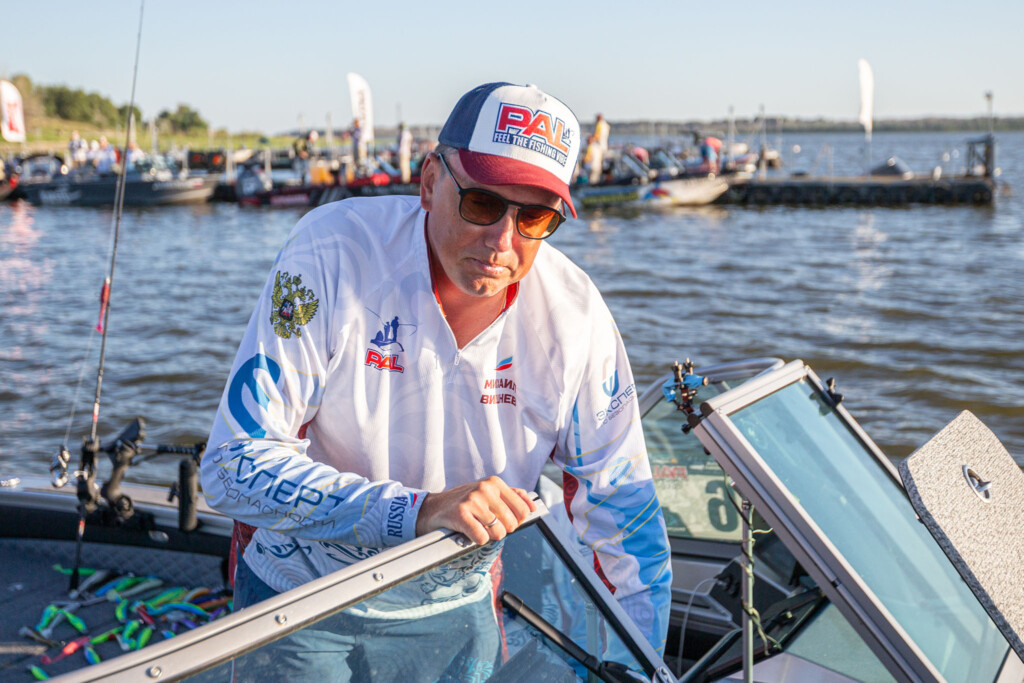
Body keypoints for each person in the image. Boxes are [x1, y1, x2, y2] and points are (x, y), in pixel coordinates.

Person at [201, 82, 671, 678]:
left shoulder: (576, 316)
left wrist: (640, 668)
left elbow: (625, 516)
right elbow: (231, 465)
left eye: (534, 217)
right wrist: (416, 512)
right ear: (428, 182)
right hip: (298, 597)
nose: (502, 240)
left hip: (453, 607)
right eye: (482, 203)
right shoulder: (332, 249)